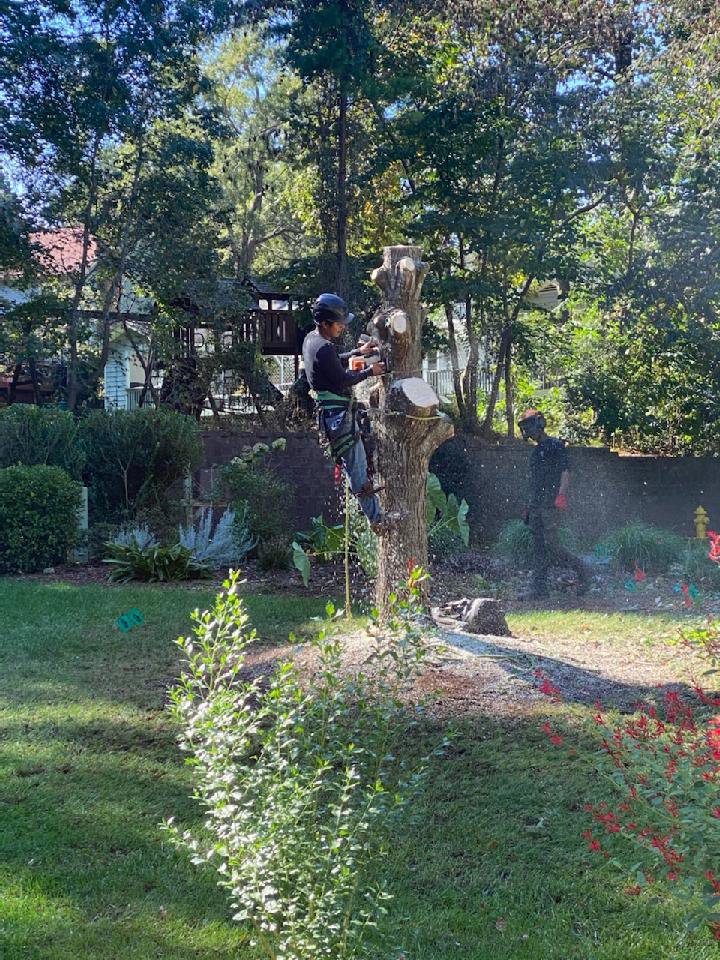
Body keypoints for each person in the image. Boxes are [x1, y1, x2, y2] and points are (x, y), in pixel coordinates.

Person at [302, 293, 396, 531]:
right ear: (325, 323)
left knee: (360, 460)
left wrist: (359, 353)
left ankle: (374, 511)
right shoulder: (322, 347)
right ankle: (377, 520)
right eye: (338, 323)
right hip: (337, 416)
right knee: (357, 466)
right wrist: (370, 371)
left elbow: (334, 361)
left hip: (333, 414)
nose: (343, 326)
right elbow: (343, 379)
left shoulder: (312, 340)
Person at [518, 408, 588, 599]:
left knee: (552, 546)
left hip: (550, 504)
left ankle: (583, 571)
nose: (528, 430)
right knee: (538, 546)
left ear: (539, 424)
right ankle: (538, 589)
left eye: (530, 425)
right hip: (536, 505)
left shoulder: (555, 445)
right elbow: (533, 481)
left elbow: (566, 471)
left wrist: (561, 495)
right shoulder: (535, 452)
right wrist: (528, 505)